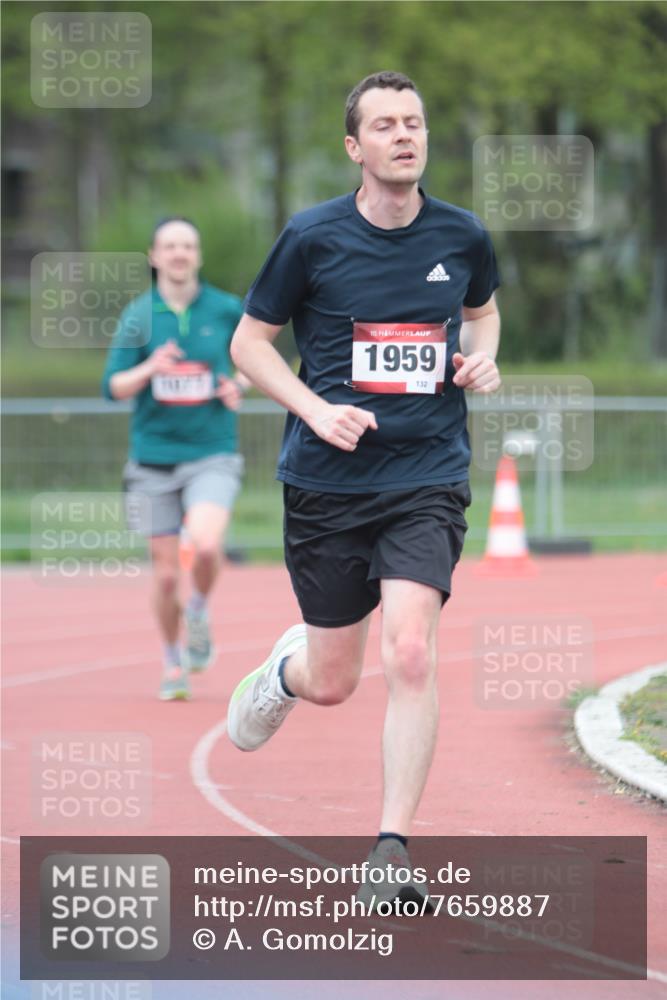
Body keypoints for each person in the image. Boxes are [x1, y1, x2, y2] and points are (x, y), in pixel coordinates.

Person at [227, 71, 501, 906]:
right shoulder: (311, 238)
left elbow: (482, 311)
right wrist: (314, 408)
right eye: (383, 125)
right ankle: (284, 674)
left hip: (426, 474)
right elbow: (249, 343)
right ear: (355, 147)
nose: (403, 135)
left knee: (411, 649)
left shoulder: (462, 235)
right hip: (327, 485)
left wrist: (483, 356)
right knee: (336, 680)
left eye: (413, 122)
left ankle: (389, 850)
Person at [102, 217, 250, 701]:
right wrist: (151, 367)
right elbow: (113, 387)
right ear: (154, 256)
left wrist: (238, 385)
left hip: (211, 453)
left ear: (198, 255)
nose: (179, 254)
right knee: (166, 576)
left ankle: (200, 610)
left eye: (188, 245)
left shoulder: (227, 309)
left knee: (206, 546)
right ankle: (171, 663)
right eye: (170, 246)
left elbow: (257, 359)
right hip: (153, 461)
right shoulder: (138, 315)